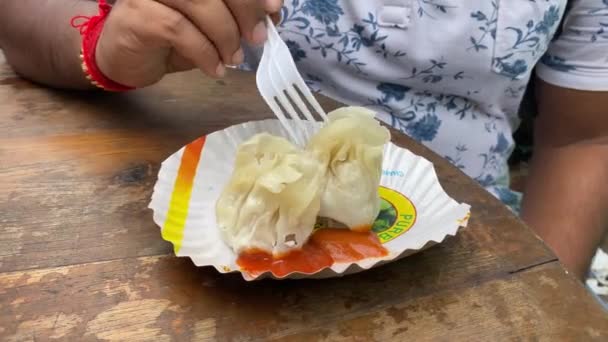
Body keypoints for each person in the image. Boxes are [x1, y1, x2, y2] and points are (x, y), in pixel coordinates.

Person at [0, 0, 606, 280]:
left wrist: (535, 292)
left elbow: (585, 138)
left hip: (469, 254)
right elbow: (24, 22)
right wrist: (108, 42)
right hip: (178, 250)